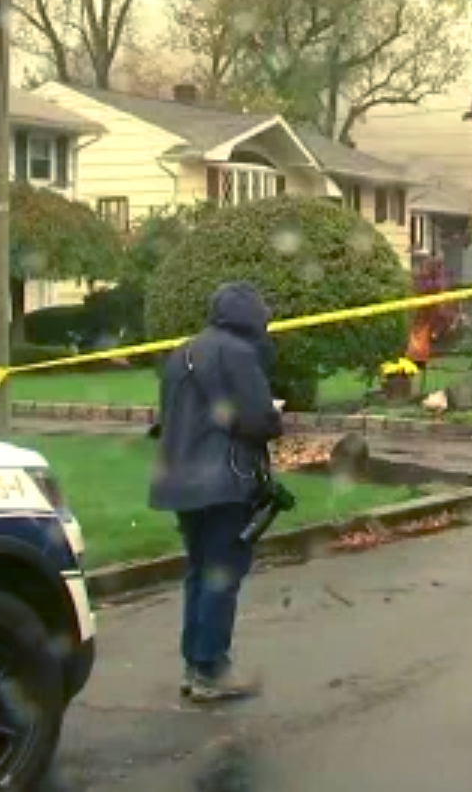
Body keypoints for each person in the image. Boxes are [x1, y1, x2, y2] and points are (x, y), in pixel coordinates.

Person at [151, 282, 287, 703]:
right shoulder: (240, 353)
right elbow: (259, 419)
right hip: (224, 480)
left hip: (179, 479)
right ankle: (212, 668)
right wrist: (274, 418)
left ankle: (195, 664)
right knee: (222, 571)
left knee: (199, 570)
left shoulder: (182, 352)